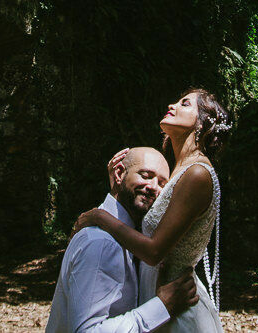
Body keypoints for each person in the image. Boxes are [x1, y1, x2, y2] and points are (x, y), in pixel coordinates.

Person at [73, 89, 231, 332]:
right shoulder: (179, 170)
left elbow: (154, 250)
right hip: (157, 300)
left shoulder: (197, 174)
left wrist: (99, 216)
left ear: (201, 122)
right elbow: (145, 223)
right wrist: (118, 189)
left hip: (178, 305)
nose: (172, 104)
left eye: (185, 104)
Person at [46, 146, 200, 332]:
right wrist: (162, 306)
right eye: (145, 175)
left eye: (162, 183)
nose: (153, 187)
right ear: (118, 174)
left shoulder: (129, 237)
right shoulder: (102, 243)